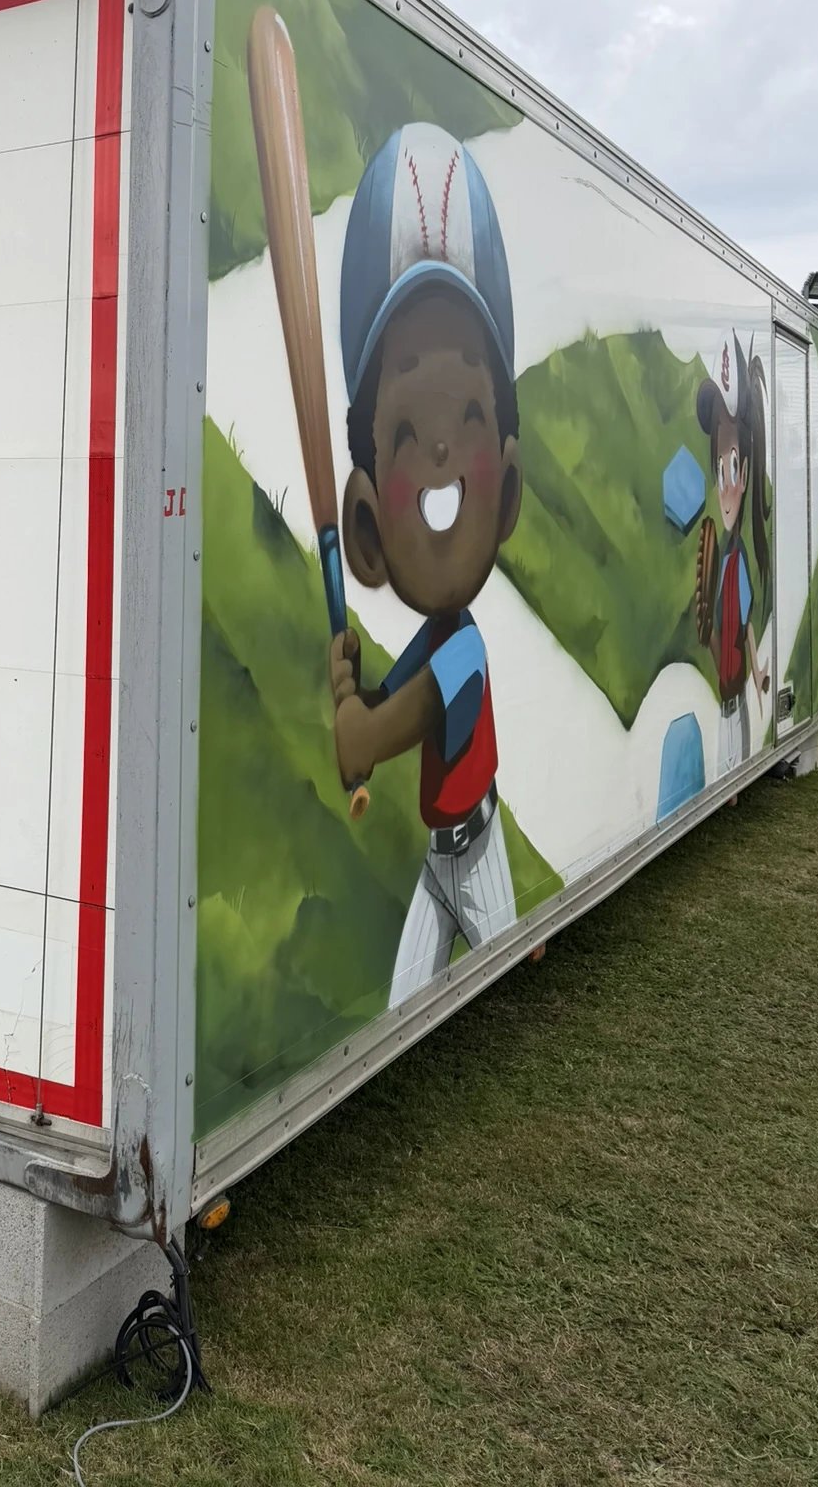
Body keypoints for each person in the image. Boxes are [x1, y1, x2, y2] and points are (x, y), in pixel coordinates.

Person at [328, 122, 523, 1009]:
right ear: (369, 530)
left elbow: (410, 715)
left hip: (475, 853)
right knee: (406, 1002)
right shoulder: (439, 638)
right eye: (409, 432)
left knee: (500, 969)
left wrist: (361, 732)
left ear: (506, 493)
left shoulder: (465, 650)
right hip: (442, 857)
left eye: (467, 420)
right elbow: (392, 699)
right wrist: (356, 700)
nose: (441, 449)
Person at [695, 333, 771, 777]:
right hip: (726, 681)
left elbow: (744, 625)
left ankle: (733, 781)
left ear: (746, 473)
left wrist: (757, 671)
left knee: (733, 732)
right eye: (720, 468)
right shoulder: (725, 559)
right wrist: (707, 632)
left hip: (734, 680)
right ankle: (732, 781)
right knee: (728, 727)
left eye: (734, 467)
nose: (726, 485)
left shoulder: (736, 559)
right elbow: (721, 627)